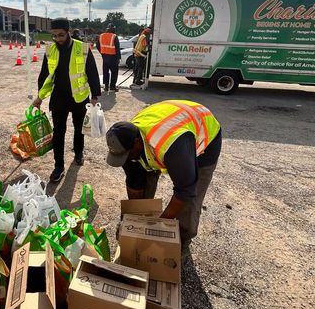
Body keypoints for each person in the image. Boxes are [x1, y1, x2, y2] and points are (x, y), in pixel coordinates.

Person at [105, 99, 222, 251]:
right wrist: (131, 220)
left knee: (190, 199)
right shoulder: (127, 141)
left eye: (127, 155)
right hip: (168, 125)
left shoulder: (173, 147)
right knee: (141, 172)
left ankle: (182, 242)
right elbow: (134, 181)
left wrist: (156, 228)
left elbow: (185, 192)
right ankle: (143, 217)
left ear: (136, 143)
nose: (125, 159)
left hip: (204, 136)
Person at [33, 18, 101, 183]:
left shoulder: (82, 48)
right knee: (59, 132)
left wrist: (94, 96)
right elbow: (45, 75)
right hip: (59, 97)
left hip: (79, 96)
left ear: (68, 32)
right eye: (54, 36)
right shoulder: (50, 50)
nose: (58, 39)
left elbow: (92, 72)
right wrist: (40, 96)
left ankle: (78, 152)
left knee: (79, 129)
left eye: (61, 35)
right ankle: (59, 166)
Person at [96, 24, 121, 92]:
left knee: (105, 72)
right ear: (113, 29)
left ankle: (106, 87)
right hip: (113, 57)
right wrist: (118, 58)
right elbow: (117, 48)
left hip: (105, 57)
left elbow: (98, 46)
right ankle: (112, 87)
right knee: (114, 72)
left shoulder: (101, 36)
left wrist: (102, 53)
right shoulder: (114, 36)